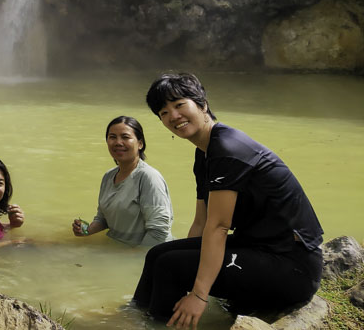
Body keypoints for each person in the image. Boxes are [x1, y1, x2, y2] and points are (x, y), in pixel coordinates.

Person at [133, 73, 323, 328]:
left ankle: (158, 326)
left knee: (170, 266)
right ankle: (136, 318)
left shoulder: (228, 149)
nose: (173, 116)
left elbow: (219, 226)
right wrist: (190, 264)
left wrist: (199, 294)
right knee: (159, 254)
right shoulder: (204, 154)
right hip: (257, 248)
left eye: (179, 105)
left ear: (202, 104)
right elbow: (201, 223)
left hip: (292, 266)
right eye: (164, 112)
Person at [71, 116, 173, 247]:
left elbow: (159, 231)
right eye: (112, 137)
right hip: (116, 247)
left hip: (145, 252)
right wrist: (86, 231)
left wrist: (130, 260)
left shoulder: (149, 177)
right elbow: (103, 219)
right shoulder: (108, 176)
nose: (118, 142)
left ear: (140, 144)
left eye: (125, 137)